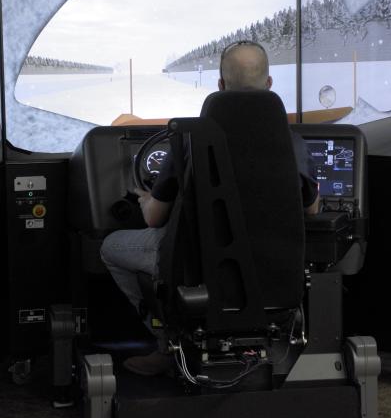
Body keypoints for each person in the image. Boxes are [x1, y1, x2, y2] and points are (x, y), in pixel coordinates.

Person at [100, 41, 319, 376]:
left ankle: (166, 342)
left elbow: (155, 218)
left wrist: (145, 198)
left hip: (198, 267)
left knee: (111, 248)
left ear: (219, 84)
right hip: (274, 271)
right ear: (270, 84)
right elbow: (312, 210)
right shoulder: (293, 143)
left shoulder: (189, 139)